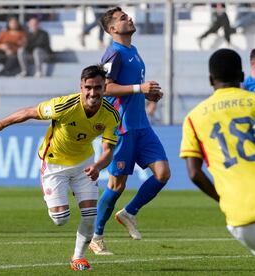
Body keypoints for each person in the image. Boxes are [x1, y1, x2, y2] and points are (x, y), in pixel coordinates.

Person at [0, 65, 120, 271]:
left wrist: (97, 166)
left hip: (84, 165)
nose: (92, 93)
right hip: (54, 163)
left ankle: (78, 258)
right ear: (81, 87)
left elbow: (108, 151)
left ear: (105, 88)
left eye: (98, 88)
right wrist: (2, 123)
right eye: (88, 87)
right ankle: (49, 190)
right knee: (60, 219)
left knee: (90, 215)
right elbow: (30, 112)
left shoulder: (111, 115)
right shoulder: (65, 105)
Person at [89, 7, 170, 255]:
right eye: (123, 18)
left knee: (163, 173)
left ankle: (129, 213)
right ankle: (96, 237)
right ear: (112, 29)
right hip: (122, 127)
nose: (129, 18)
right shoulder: (114, 53)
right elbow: (107, 88)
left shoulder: (132, 51)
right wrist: (139, 88)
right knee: (116, 186)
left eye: (128, 15)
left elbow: (133, 88)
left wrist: (150, 94)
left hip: (142, 125)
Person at [180, 48, 255, 255]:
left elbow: (194, 173)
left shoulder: (194, 118)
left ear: (211, 80)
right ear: (241, 77)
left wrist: (222, 199)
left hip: (240, 217)